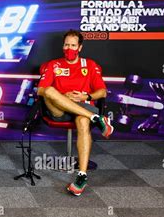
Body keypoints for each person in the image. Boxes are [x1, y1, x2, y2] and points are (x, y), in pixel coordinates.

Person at [37, 29, 113, 196]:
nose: (69, 49)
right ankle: (96, 117)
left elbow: (103, 92)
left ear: (79, 47)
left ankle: (82, 176)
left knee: (83, 122)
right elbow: (41, 90)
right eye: (66, 45)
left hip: (82, 108)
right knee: (48, 90)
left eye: (72, 45)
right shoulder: (53, 65)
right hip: (58, 109)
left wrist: (87, 95)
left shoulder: (90, 65)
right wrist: (63, 96)